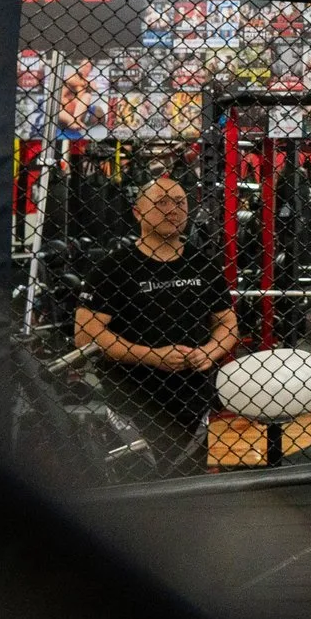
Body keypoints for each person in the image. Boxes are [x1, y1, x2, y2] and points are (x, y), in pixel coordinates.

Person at [72, 176, 238, 470]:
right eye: (161, 202)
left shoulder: (203, 263)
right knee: (137, 492)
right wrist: (152, 356)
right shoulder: (114, 267)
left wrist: (210, 351)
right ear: (138, 212)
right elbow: (86, 335)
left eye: (179, 202)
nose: (172, 209)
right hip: (133, 401)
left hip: (192, 402)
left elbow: (227, 322)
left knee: (190, 491)